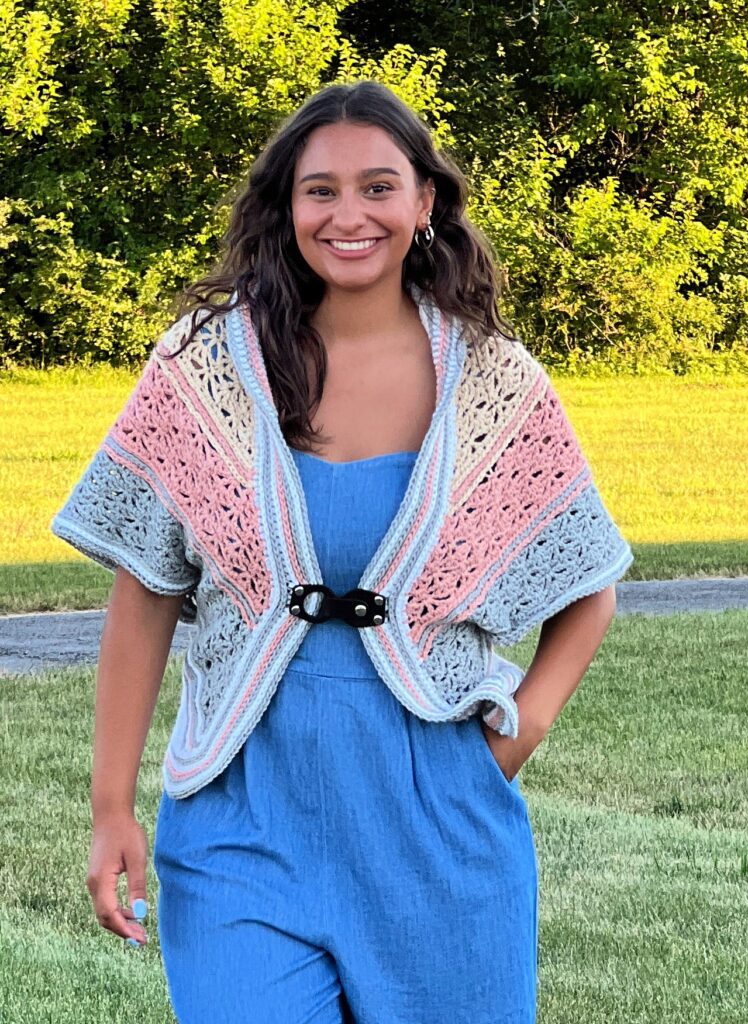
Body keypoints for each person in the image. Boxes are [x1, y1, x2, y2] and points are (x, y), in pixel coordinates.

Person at [52, 79, 633, 1024]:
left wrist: (505, 746)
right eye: (320, 189)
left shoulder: (493, 379)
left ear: (424, 203)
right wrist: (111, 807)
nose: (348, 214)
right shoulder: (203, 367)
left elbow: (587, 588)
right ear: (287, 206)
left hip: (439, 828)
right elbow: (144, 591)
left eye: (378, 187)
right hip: (238, 821)